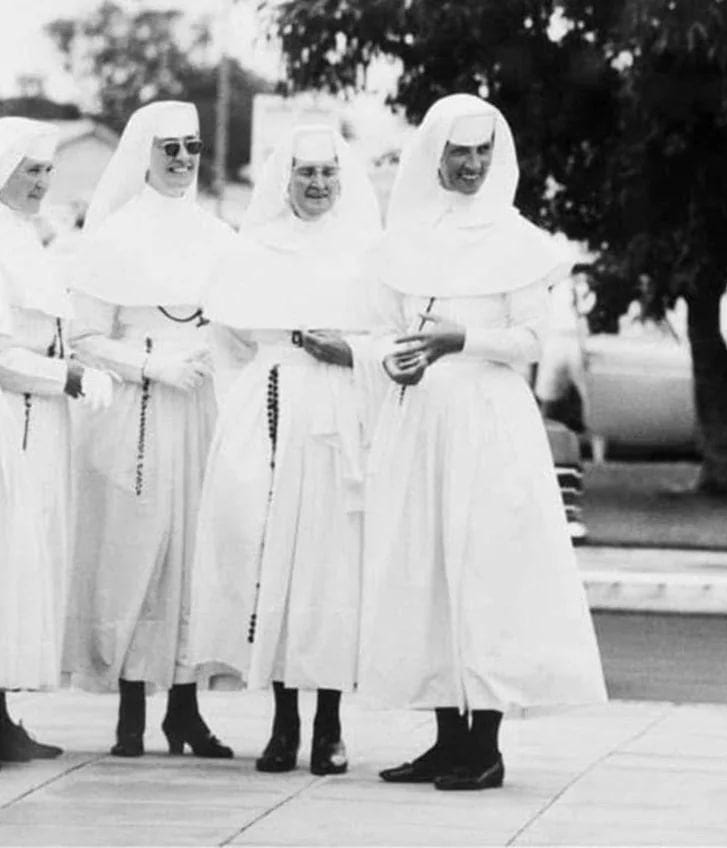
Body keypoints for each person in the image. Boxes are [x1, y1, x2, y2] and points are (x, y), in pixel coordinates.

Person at [360, 93, 608, 791]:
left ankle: (485, 746)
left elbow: (529, 341)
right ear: (433, 156)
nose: (471, 165)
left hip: (489, 422)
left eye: (481, 152)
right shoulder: (404, 239)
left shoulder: (519, 241)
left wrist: (460, 340)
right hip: (421, 420)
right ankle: (446, 739)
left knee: (485, 572)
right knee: (427, 572)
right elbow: (381, 331)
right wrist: (395, 360)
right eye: (458, 152)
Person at [186, 125, 383, 776]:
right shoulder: (256, 248)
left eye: (328, 173)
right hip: (268, 405)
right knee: (269, 557)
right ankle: (283, 722)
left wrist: (351, 354)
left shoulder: (367, 250)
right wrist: (250, 397)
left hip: (339, 408)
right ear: (286, 178)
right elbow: (228, 341)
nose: (317, 184)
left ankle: (329, 723)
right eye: (306, 173)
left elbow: (387, 335)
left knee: (329, 566)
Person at [63, 101, 236, 759]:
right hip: (135, 411)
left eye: (192, 146)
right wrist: (151, 365)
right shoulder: (113, 238)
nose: (183, 159)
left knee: (196, 553)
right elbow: (85, 337)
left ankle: (185, 710)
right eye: (170, 148)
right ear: (146, 154)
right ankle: (131, 708)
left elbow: (237, 321)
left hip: (201, 406)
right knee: (135, 550)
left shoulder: (218, 235)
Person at [0, 117, 114, 763]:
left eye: (47, 170)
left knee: (26, 564)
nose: (42, 182)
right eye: (30, 171)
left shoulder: (26, 237)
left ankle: (3, 710)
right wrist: (64, 376)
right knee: (8, 559)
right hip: (9, 418)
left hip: (36, 421)